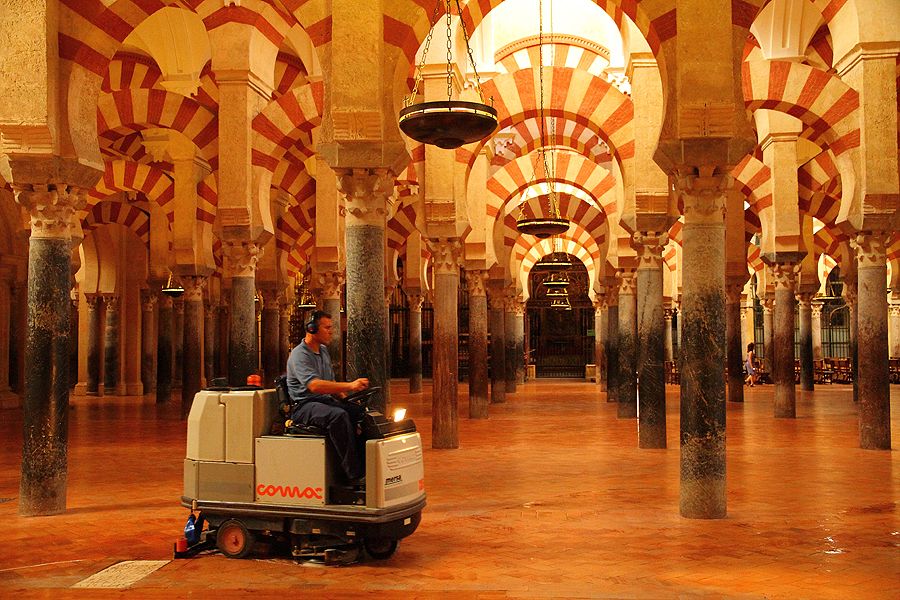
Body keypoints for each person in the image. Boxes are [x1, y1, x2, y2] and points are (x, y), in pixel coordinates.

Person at [286, 310, 369, 486]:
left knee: (362, 413)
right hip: (303, 405)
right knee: (338, 416)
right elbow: (315, 386)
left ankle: (367, 465)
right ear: (312, 328)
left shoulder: (323, 351)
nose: (331, 332)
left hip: (322, 402)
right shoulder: (299, 355)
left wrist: (348, 400)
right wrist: (350, 385)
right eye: (327, 328)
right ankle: (353, 476)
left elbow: (329, 382)